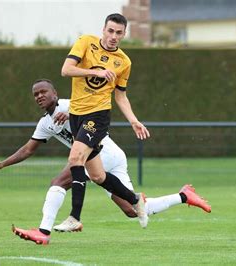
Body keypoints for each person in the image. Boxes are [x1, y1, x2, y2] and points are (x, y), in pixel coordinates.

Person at [0, 79, 211, 245]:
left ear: (55, 93)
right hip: (105, 158)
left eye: (44, 92)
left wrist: (72, 114)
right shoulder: (45, 124)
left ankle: (44, 231)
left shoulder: (71, 103)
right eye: (36, 95)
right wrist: (3, 163)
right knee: (132, 211)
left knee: (59, 182)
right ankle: (184, 196)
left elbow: (95, 112)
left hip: (105, 152)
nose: (40, 96)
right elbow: (28, 149)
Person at [61, 13, 150, 228]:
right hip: (77, 114)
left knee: (75, 159)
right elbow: (66, 70)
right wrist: (98, 73)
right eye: (110, 31)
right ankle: (136, 199)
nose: (113, 36)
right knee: (98, 175)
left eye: (118, 33)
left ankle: (75, 218)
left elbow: (120, 95)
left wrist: (133, 120)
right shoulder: (85, 42)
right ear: (103, 29)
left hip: (98, 115)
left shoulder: (124, 62)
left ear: (124, 34)